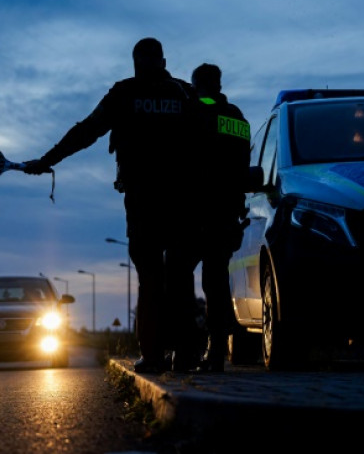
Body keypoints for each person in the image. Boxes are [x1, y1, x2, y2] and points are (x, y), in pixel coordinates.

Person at [22, 37, 204, 373]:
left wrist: (49, 159)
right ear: (163, 62)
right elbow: (207, 143)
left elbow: (86, 131)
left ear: (135, 63)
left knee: (150, 277)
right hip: (183, 200)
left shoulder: (124, 93)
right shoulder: (184, 94)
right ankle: (186, 354)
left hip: (143, 199)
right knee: (180, 276)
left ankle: (152, 356)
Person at [189, 63, 251, 373]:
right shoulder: (237, 118)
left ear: (197, 84)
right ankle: (215, 353)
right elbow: (243, 164)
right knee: (215, 283)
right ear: (219, 83)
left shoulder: (191, 114)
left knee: (178, 277)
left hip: (192, 211)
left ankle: (184, 350)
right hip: (225, 212)